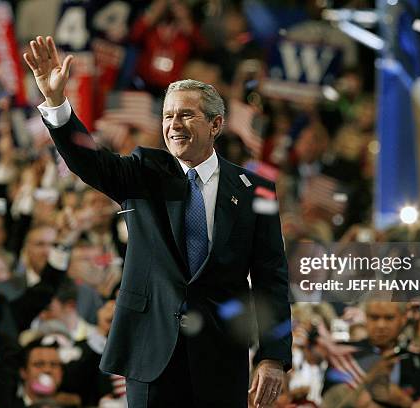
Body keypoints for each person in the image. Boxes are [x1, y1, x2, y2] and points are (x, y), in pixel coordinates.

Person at [23, 36, 292, 408]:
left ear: (215, 124)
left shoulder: (254, 190)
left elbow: (271, 279)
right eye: (168, 115)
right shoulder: (145, 172)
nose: (174, 124)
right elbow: (90, 161)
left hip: (220, 359)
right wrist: (56, 102)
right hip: (152, 354)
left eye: (186, 115)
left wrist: (273, 355)